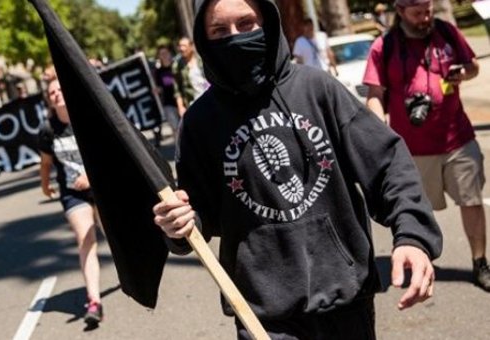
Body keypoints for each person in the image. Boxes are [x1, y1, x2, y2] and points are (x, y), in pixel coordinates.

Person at [152, 0, 442, 338]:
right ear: (204, 41)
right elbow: (197, 215)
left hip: (345, 297)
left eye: (246, 24)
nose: (234, 37)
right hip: (262, 314)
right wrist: (178, 225)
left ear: (268, 24)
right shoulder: (200, 122)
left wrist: (412, 236)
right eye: (220, 31)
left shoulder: (318, 89)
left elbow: (387, 162)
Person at [364, 0, 489, 291]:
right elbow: (375, 93)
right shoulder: (385, 46)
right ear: (400, 11)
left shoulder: (446, 32)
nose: (426, 17)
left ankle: (480, 262)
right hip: (412, 150)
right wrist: (378, 130)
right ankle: (419, 260)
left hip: (458, 138)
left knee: (471, 201)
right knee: (414, 208)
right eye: (418, 13)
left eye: (429, 10)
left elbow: (474, 66)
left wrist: (464, 72)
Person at [38, 67, 104, 326]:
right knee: (85, 237)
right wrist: (45, 185)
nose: (56, 95)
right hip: (72, 193)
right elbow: (45, 163)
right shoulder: (47, 129)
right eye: (51, 93)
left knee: (113, 235)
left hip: (100, 187)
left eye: (60, 90)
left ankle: (130, 275)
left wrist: (91, 174)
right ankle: (94, 300)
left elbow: (107, 151)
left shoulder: (87, 117)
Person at [173, 37, 210, 116]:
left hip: (210, 97)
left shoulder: (201, 59)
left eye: (184, 46)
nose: (181, 48)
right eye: (180, 46)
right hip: (193, 103)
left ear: (191, 47)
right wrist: (180, 107)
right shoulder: (177, 66)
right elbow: (177, 90)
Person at [154, 45, 180, 141]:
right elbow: (159, 87)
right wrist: (157, 90)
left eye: (166, 53)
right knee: (176, 128)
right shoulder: (158, 72)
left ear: (170, 53)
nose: (164, 55)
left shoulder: (176, 66)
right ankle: (181, 152)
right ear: (159, 56)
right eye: (161, 54)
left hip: (182, 101)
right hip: (168, 103)